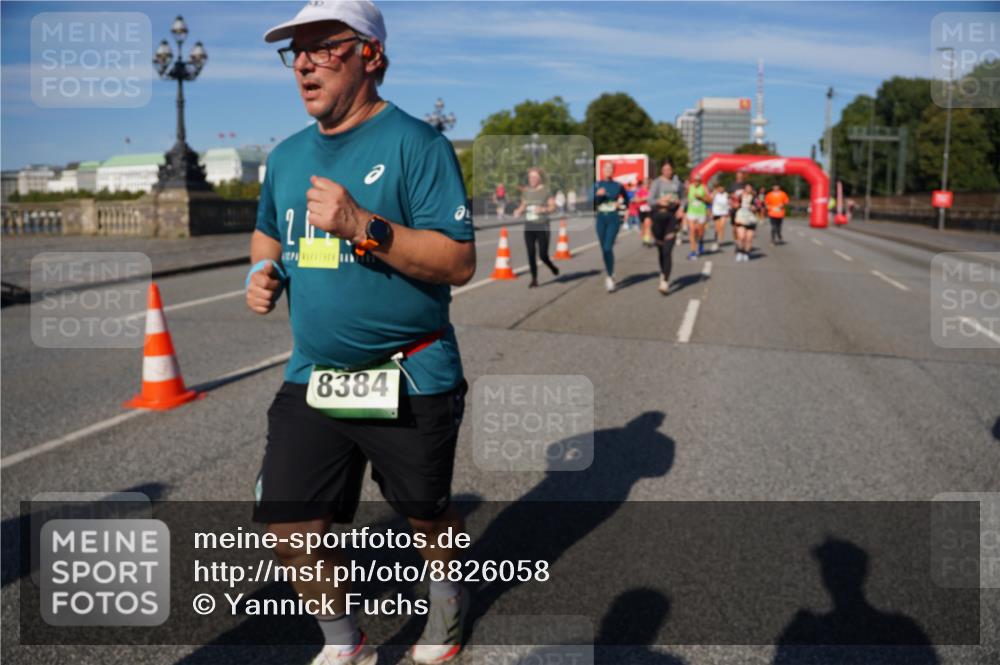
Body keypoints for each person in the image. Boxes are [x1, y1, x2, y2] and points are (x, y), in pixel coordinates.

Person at [252, 3, 476, 663]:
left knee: (426, 515)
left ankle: (449, 600)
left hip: (407, 370)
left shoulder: (419, 144)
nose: (303, 62)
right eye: (295, 51)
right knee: (288, 524)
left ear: (369, 55)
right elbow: (269, 228)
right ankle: (343, 639)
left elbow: (459, 261)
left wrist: (363, 226)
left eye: (323, 47)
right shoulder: (286, 156)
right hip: (314, 374)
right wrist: (262, 270)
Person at [514, 167, 560, 288]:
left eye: (534, 177)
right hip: (529, 226)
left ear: (539, 178)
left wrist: (543, 209)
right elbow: (524, 204)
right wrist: (518, 211)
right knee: (530, 253)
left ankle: (551, 266)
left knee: (543, 255)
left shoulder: (546, 191)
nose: (532, 179)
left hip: (542, 225)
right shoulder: (526, 191)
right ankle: (534, 279)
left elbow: (553, 207)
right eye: (530, 177)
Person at [594, 161, 626, 292]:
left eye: (610, 168)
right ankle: (610, 271)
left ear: (613, 171)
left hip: (613, 218)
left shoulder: (617, 185)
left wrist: (621, 204)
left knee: (608, 247)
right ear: (602, 170)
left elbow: (626, 200)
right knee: (604, 249)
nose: (608, 170)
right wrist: (597, 196)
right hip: (601, 218)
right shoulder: (597, 184)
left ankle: (609, 276)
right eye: (606, 168)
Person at [649, 180, 683, 295]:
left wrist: (680, 205)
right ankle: (663, 272)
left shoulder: (677, 184)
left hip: (671, 223)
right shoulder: (656, 185)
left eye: (669, 169)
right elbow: (650, 202)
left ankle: (665, 281)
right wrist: (660, 201)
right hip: (658, 224)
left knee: (667, 252)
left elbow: (683, 200)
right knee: (661, 253)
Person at [645, 161, 684, 248]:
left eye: (669, 169)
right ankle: (655, 240)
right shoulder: (656, 182)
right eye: (665, 169)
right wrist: (660, 201)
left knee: (668, 248)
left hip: (672, 215)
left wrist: (681, 208)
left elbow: (683, 198)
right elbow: (650, 200)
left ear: (672, 170)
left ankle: (677, 235)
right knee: (661, 247)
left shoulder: (677, 182)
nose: (667, 171)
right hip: (659, 214)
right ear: (661, 171)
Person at [685, 172, 711, 259]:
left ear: (700, 181)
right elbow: (686, 196)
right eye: (695, 180)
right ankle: (693, 251)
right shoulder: (689, 187)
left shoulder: (704, 187)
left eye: (698, 180)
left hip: (701, 212)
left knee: (700, 232)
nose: (696, 182)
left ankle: (700, 241)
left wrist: (701, 198)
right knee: (692, 231)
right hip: (691, 212)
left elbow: (710, 200)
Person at [734, 183, 758, 262]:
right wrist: (736, 205)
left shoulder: (754, 197)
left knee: (749, 239)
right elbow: (734, 205)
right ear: (744, 189)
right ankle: (740, 252)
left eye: (750, 188)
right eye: (747, 188)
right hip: (741, 217)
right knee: (741, 237)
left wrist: (754, 208)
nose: (748, 189)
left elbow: (758, 207)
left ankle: (746, 253)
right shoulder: (739, 196)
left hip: (750, 219)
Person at [710, 183, 730, 252]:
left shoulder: (726, 194)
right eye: (720, 188)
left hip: (724, 212)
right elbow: (710, 201)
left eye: (723, 188)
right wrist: (711, 212)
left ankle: (719, 240)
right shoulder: (715, 194)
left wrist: (728, 210)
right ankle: (716, 240)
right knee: (717, 228)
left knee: (722, 226)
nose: (721, 189)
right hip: (716, 212)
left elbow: (728, 203)